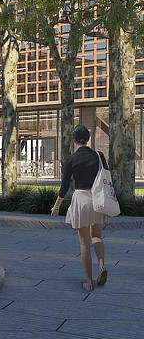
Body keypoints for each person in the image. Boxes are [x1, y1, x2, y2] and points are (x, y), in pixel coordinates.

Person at [50, 124, 110, 292]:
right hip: (98, 199)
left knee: (84, 243)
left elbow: (64, 187)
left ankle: (89, 281)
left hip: (81, 199)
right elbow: (106, 177)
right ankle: (102, 265)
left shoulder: (71, 159)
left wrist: (56, 207)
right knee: (97, 236)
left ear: (74, 140)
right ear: (88, 139)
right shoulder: (99, 156)